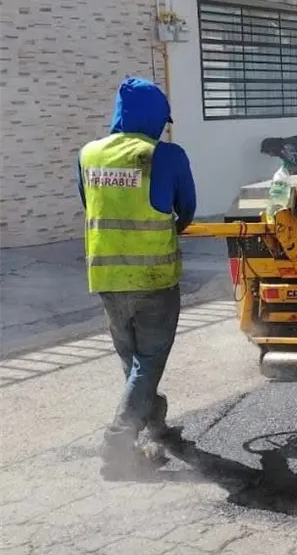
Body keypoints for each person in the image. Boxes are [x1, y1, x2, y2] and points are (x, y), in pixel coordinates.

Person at [78, 77, 196, 475]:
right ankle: (117, 445)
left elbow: (89, 205)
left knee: (134, 362)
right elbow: (187, 211)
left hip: (107, 280)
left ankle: (155, 426)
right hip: (153, 280)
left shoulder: (88, 155)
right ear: (155, 117)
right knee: (148, 363)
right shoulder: (166, 155)